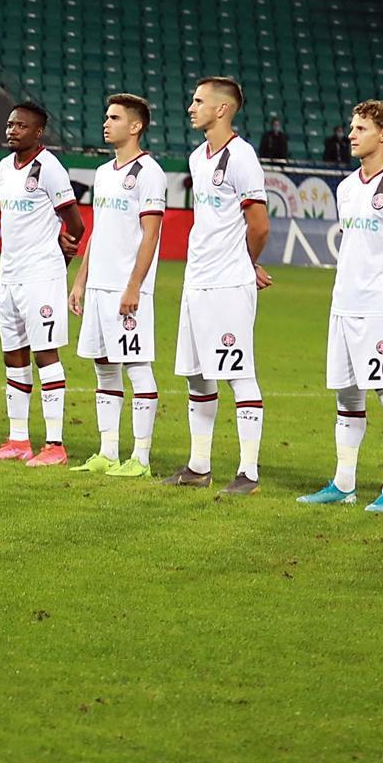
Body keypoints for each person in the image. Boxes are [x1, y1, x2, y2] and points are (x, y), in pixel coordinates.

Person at [297, 100, 383, 512]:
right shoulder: (348, 187)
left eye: (360, 128)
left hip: (380, 309)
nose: (351, 134)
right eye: (352, 127)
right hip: (343, 305)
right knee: (348, 397)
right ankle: (344, 483)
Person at [163, 77, 268, 494]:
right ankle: (198, 466)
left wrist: (246, 263)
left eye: (199, 101)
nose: (191, 107)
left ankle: (249, 473)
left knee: (239, 372)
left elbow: (258, 224)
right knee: (197, 376)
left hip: (227, 283)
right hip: (197, 281)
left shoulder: (242, 157)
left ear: (222, 109)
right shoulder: (197, 158)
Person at [68, 94, 165, 475]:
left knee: (137, 368)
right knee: (104, 367)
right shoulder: (104, 172)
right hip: (97, 288)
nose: (106, 123)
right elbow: (99, 232)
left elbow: (150, 234)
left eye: (114, 117)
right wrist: (80, 281)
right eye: (106, 116)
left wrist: (134, 286)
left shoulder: (149, 172)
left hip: (126, 289)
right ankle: (108, 451)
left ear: (136, 126)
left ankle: (139, 458)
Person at [0, 102, 79, 465]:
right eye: (9, 124)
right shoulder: (5, 168)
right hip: (9, 275)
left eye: (21, 126)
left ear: (38, 132)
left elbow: (76, 224)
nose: (11, 130)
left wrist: (61, 255)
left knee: (45, 353)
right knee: (14, 355)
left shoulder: (51, 169)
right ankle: (18, 440)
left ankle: (55, 445)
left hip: (41, 276)